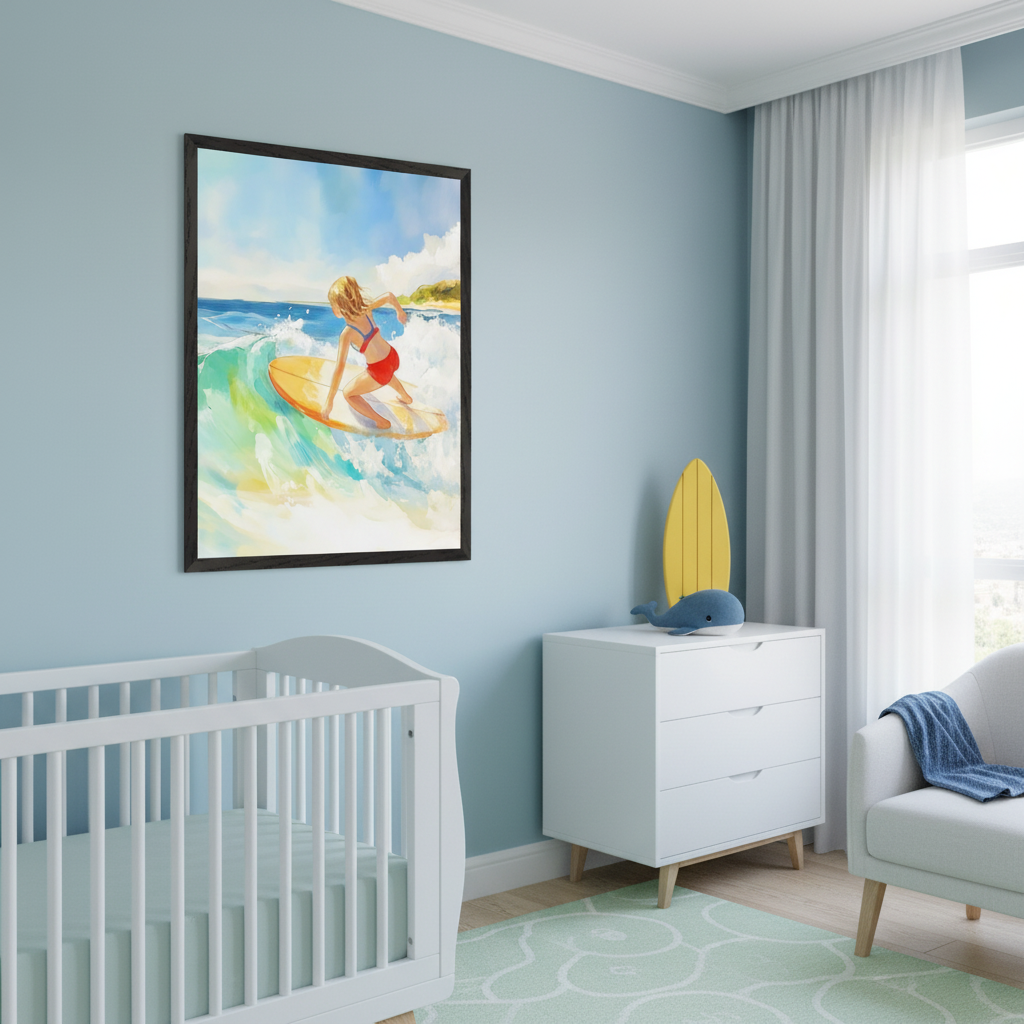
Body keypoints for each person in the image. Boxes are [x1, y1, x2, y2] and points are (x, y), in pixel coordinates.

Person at [321, 276, 412, 429]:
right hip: (392, 356)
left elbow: (339, 368)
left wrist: (329, 401)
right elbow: (389, 296)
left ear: (338, 308)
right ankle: (405, 397)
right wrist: (400, 311)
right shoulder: (367, 310)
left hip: (380, 370)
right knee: (386, 370)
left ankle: (381, 421)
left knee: (348, 394)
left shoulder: (347, 333)